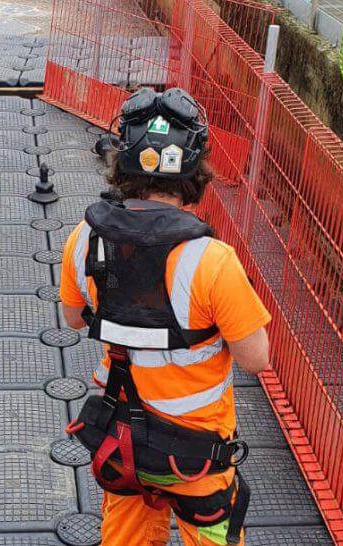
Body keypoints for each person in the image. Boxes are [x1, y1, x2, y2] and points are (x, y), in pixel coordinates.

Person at [60, 87, 273, 546]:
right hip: (196, 459)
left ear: (121, 164)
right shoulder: (213, 260)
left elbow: (75, 319)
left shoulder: (85, 239)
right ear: (195, 173)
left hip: (123, 442)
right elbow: (256, 359)